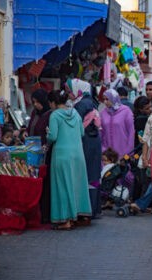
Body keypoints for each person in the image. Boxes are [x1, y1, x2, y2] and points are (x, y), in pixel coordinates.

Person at [46, 90, 92, 230]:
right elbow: (82, 132)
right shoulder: (76, 113)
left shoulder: (55, 115)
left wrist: (48, 133)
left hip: (62, 154)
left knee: (62, 186)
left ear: (53, 103)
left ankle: (66, 219)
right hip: (78, 154)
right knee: (76, 184)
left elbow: (53, 137)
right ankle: (79, 214)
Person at [66, 78, 102, 220]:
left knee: (87, 174)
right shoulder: (89, 101)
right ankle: (93, 208)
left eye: (69, 91)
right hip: (92, 142)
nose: (68, 94)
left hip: (87, 143)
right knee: (92, 174)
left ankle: (88, 210)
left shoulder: (82, 104)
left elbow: (75, 124)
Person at [27, 88, 53, 224]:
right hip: (33, 153)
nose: (36, 105)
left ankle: (45, 214)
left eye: (38, 102)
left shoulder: (50, 115)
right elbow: (30, 127)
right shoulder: (34, 113)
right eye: (34, 102)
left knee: (45, 183)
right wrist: (25, 133)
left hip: (45, 154)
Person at [100, 88, 135, 158]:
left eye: (107, 99)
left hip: (123, 150)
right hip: (107, 153)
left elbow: (131, 132)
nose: (105, 102)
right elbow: (101, 133)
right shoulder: (102, 113)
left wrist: (128, 152)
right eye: (104, 99)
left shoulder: (126, 111)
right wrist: (102, 149)